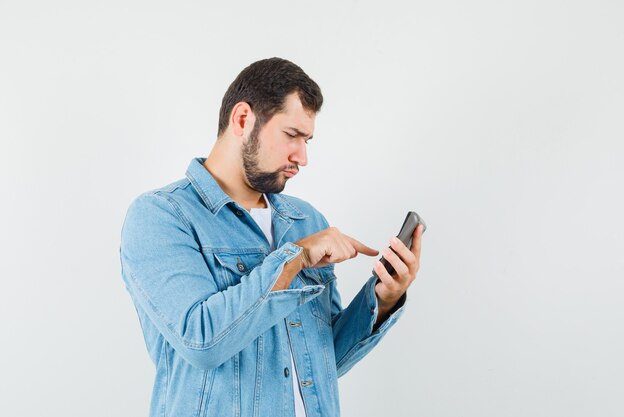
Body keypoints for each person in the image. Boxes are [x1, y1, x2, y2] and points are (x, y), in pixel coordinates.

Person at [120, 57, 424, 417]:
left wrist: (383, 299)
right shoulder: (161, 216)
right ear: (243, 119)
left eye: (308, 140)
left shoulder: (306, 220)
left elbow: (321, 363)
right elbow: (201, 341)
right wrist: (295, 257)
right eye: (291, 136)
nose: (303, 157)